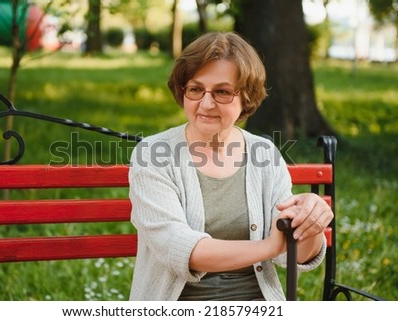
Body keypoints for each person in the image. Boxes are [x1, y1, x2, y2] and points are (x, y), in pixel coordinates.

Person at [128, 31, 333, 301]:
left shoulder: (264, 154)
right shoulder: (154, 155)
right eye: (195, 89)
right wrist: (270, 245)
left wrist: (308, 222)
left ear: (246, 97)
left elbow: (294, 253)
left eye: (222, 92)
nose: (206, 103)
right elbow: (180, 248)